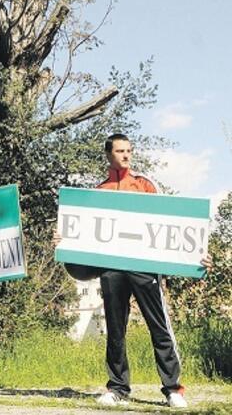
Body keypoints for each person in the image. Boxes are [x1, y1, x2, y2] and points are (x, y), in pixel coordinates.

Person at [82, 133, 211, 409]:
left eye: (129, 150)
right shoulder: (98, 191)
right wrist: (64, 240)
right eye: (120, 151)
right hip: (112, 269)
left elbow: (170, 226)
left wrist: (196, 253)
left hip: (144, 269)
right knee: (115, 330)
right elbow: (83, 233)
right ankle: (117, 388)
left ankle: (173, 388)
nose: (126, 155)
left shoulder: (144, 185)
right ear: (108, 154)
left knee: (159, 326)